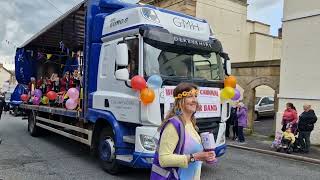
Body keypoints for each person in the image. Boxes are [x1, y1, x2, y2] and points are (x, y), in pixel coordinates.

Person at [150, 83, 215, 180]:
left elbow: (191, 153)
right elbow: (163, 159)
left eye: (195, 96)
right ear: (180, 100)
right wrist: (195, 157)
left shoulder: (191, 123)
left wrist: (205, 156)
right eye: (190, 96)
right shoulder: (173, 125)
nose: (194, 100)